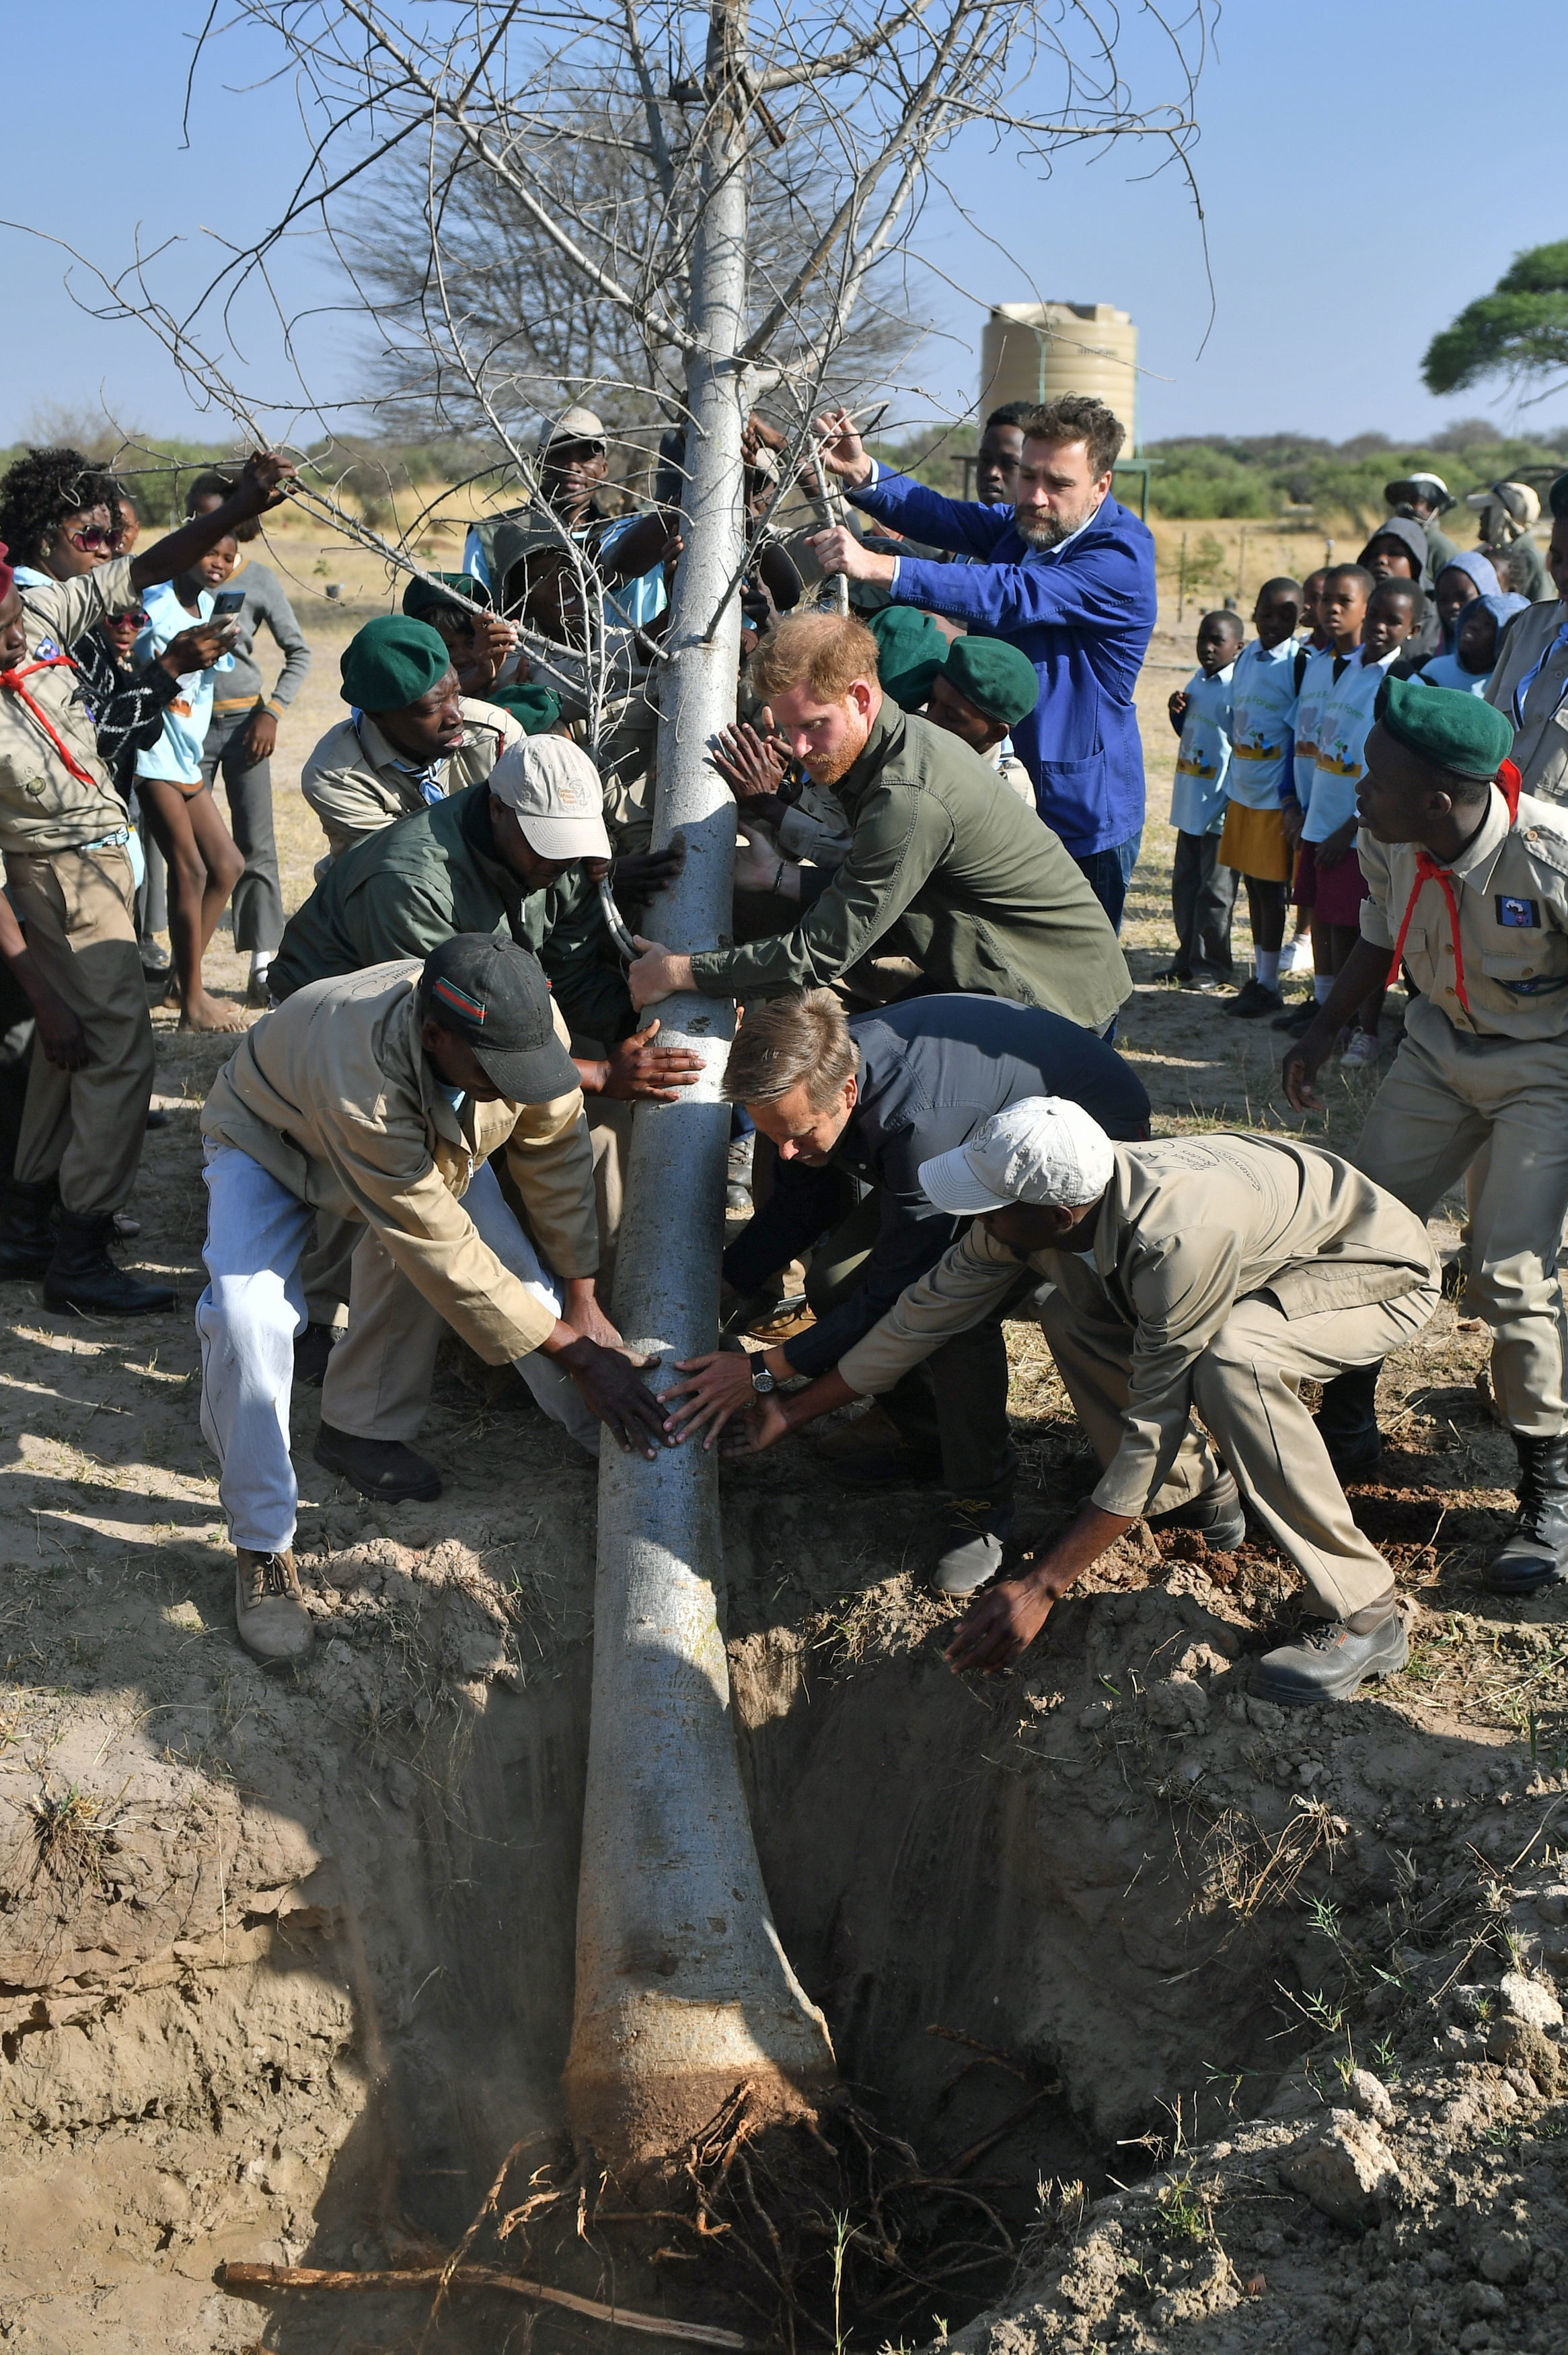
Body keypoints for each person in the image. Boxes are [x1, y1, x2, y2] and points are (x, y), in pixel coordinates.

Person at [710, 1098, 1437, 1704]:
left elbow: (1155, 1419)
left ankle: (1363, 1608)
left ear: (1060, 1212)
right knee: (1069, 1308)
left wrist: (1041, 1582)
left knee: (1233, 1359)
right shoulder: (1051, 1203)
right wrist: (792, 1403)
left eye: (993, 1209)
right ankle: (1200, 1497)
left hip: (1370, 1266)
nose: (981, 1221)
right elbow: (921, 1314)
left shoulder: (1175, 1236)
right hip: (1265, 1247)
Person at [198, 933, 672, 1663]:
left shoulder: (520, 1024)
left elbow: (555, 1155)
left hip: (423, 1143)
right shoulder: (361, 1074)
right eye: (498, 1071)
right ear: (434, 1037)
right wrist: (577, 1350)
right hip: (274, 1135)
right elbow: (440, 1246)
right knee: (246, 1318)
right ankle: (262, 1547)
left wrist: (582, 1298)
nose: (517, 1082)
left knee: (533, 1286)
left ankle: (626, 1450)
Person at [663, 988, 1150, 1589]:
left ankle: (981, 1504)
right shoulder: (816, 1075)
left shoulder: (916, 1122)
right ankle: (927, 1435)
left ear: (846, 1093)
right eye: (772, 1136)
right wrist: (723, 1287)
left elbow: (905, 1285)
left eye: (799, 1133)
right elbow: (802, 1202)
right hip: (976, 1134)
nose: (785, 1151)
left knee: (951, 1316)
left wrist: (767, 1371)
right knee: (836, 1282)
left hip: (1078, 1149)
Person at [1283, 682, 1568, 1596]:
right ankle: (1347, 1412)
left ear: (1439, 800)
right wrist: (1321, 1031)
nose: (1356, 792)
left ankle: (1544, 1497)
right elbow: (1377, 936)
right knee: (1361, 1230)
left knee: (1512, 1277)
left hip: (1543, 1072)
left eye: (1375, 780)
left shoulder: (1546, 856)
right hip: (1438, 1052)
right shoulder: (1390, 834)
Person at [0, 451, 293, 1311]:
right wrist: (37, 988)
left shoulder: (46, 612)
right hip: (54, 875)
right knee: (121, 1053)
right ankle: (81, 1256)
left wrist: (238, 504)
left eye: (12, 604)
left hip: (97, 861)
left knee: (76, 1057)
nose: (17, 623)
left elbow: (150, 564)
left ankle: (29, 1227)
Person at [627, 612, 1131, 1034]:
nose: (798, 749)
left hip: (1049, 997)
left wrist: (678, 972)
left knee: (832, 1082)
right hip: (996, 966)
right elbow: (882, 888)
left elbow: (821, 953)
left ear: (861, 699)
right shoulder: (889, 748)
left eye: (812, 725)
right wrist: (775, 879)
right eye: (787, 728)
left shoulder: (907, 794)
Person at [805, 396, 1157, 931]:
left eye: (1059, 484)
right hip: (995, 790)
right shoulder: (1030, 524)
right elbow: (948, 516)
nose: (1036, 497)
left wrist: (880, 567)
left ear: (1101, 486)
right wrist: (864, 473)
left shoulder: (1117, 559)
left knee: (1076, 988)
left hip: (1077, 809)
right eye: (1028, 475)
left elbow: (1012, 593)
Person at [185, 471, 311, 1007]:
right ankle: (166, 961)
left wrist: (273, 713)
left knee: (255, 844)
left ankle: (263, 964)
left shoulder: (258, 581)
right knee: (177, 846)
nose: (211, 544)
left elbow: (299, 652)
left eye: (221, 523)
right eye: (195, 519)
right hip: (185, 728)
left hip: (244, 728)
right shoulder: (174, 575)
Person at [1297, 579, 1423, 1067]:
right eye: (1375, 618)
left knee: (1362, 929)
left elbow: (1394, 771)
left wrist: (1350, 826)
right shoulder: (1343, 668)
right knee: (1327, 923)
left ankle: (1365, 1029)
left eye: (1393, 622)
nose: (1380, 629)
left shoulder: (1405, 685)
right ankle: (1329, 1015)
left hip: (1361, 829)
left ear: (1412, 629)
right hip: (1322, 817)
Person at [134, 523, 249, 1032]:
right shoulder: (153, 602)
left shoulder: (207, 608)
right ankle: (192, 1006)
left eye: (228, 557)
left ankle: (186, 981)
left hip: (186, 756)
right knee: (191, 869)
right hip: (152, 753)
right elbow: (131, 667)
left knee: (226, 864)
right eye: (209, 551)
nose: (218, 563)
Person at [301, 614, 524, 865]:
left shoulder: (495, 734)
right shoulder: (337, 776)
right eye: (432, 708)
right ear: (377, 716)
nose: (456, 716)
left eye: (456, 694)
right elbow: (406, 865)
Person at [1281, 565, 1370, 1034]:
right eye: (1324, 600)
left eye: (1344, 601)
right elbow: (1294, 734)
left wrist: (1352, 822)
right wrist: (1289, 803)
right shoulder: (1313, 662)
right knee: (1315, 907)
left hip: (1347, 822)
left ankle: (1346, 1015)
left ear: (1366, 609)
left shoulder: (1373, 673)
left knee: (1345, 921)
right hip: (1311, 813)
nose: (1330, 610)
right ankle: (1319, 1003)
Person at [1218, 577, 1306, 1017]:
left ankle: (1270, 984)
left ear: (1301, 617)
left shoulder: (1298, 661)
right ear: (1252, 612)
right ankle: (1260, 978)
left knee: (1272, 891)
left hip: (1275, 797)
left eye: (1285, 615)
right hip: (1243, 790)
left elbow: (1298, 731)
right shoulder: (1247, 655)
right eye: (1266, 613)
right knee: (1252, 887)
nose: (1273, 623)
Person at [1158, 608, 1242, 990]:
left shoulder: (1237, 686)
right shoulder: (1198, 680)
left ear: (1238, 647)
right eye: (1202, 640)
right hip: (1191, 802)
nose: (1207, 648)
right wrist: (1178, 714)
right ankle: (1186, 958)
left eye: (1217, 641)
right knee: (1185, 886)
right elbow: (1196, 735)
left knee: (1215, 892)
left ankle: (1214, 965)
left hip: (1220, 809)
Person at [1485, 476, 1568, 802]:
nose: (1562, 574)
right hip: (1492, 837)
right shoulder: (1531, 627)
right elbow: (1487, 732)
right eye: (1557, 558)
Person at [924, 634, 1041, 807]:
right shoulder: (913, 719)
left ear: (996, 733)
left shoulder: (1011, 795)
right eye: (932, 701)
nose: (929, 719)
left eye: (951, 717)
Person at [1357, 517, 1438, 663]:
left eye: (1394, 553)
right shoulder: (1355, 609)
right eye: (1374, 555)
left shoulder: (1435, 620)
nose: (1381, 559)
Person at [1419, 592, 1528, 696]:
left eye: (1488, 624)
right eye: (1473, 617)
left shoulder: (1506, 686)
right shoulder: (1436, 670)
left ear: (1506, 637)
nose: (1473, 625)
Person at [1466, 480, 1547, 604]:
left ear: (1504, 517)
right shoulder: (1486, 552)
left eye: (1488, 510)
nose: (1481, 517)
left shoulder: (1533, 561)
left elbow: (1542, 614)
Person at [1383, 472, 1459, 579]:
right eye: (1404, 500)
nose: (1406, 506)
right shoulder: (1389, 544)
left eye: (1415, 501)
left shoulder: (1443, 551)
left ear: (1435, 509)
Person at [1431, 552, 1501, 653]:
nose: (1453, 606)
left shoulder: (1510, 654)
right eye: (1443, 600)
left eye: (1463, 597)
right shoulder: (1437, 661)